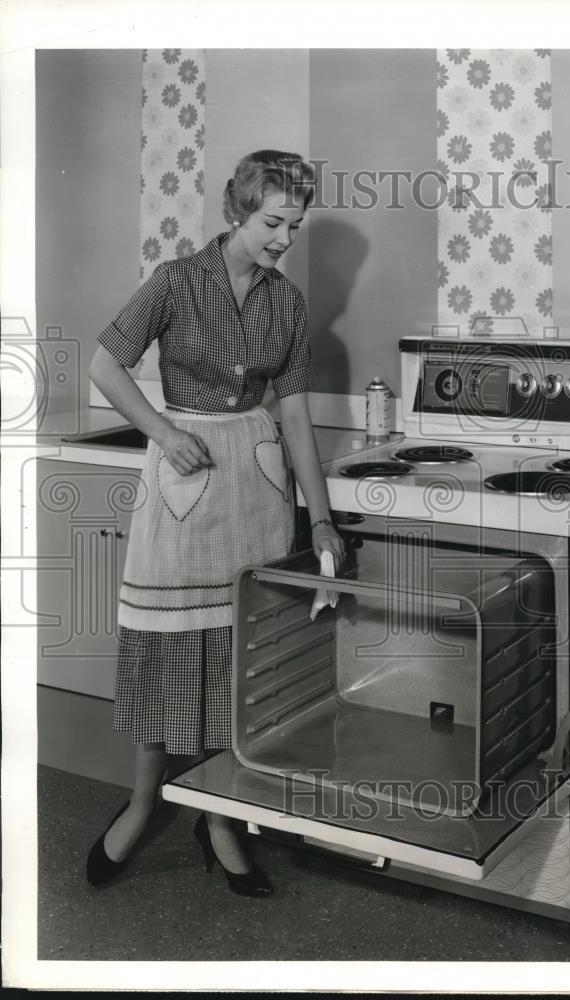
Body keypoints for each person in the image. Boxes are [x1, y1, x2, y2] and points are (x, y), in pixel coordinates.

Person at [86, 150, 345, 897]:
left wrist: (320, 519)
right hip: (186, 475)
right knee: (169, 647)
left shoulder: (287, 302)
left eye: (294, 226)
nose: (282, 239)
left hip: (258, 483)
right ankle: (143, 803)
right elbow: (105, 366)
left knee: (243, 659)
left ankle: (221, 818)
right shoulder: (175, 281)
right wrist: (163, 434)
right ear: (238, 210)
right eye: (272, 223)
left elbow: (292, 410)